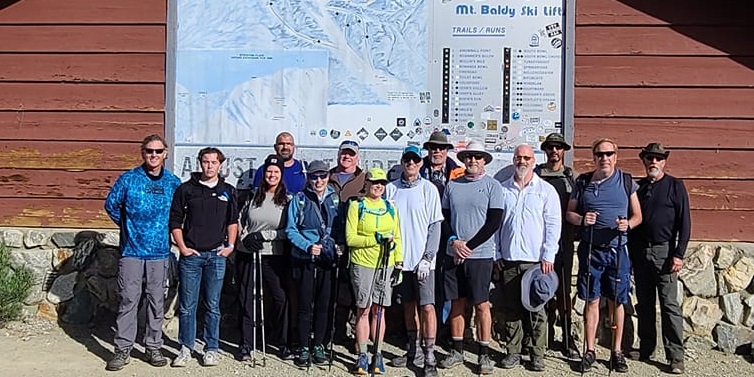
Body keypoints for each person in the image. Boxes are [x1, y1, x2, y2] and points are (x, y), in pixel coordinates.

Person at [104, 134, 181, 371]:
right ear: (142, 153)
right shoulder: (128, 179)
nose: (154, 155)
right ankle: (123, 348)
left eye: (158, 151)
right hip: (132, 251)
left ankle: (153, 346)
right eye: (149, 151)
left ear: (165, 153)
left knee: (156, 301)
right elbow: (111, 205)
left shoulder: (173, 183)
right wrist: (127, 226)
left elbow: (180, 213)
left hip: (159, 252)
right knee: (128, 299)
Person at [565, 138, 642, 373]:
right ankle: (590, 350)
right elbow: (569, 213)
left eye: (609, 153)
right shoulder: (584, 182)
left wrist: (626, 225)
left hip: (618, 250)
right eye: (600, 154)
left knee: (617, 300)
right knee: (592, 299)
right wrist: (581, 219)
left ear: (616, 157)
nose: (604, 158)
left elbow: (638, 216)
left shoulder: (626, 181)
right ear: (594, 157)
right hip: (591, 250)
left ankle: (616, 351)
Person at [169, 147, 239, 367]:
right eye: (206, 162)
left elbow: (233, 222)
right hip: (191, 256)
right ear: (200, 163)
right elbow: (175, 221)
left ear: (220, 164)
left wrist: (230, 246)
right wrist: (182, 247)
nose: (209, 166)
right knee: (188, 305)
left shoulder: (228, 190)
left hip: (217, 255)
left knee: (213, 305)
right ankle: (185, 347)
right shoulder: (185, 189)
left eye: (214, 162)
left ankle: (211, 348)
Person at [438, 140, 504, 375]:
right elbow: (443, 218)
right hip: (453, 253)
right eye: (469, 156)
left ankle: (484, 354)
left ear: (484, 160)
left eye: (477, 157)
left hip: (481, 255)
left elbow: (494, 222)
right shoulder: (452, 185)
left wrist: (470, 246)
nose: (473, 160)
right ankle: (457, 350)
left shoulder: (493, 186)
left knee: (481, 304)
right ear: (463, 160)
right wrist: (454, 241)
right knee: (456, 302)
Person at [495, 144, 562, 372]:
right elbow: (495, 226)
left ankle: (537, 354)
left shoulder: (545, 191)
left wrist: (548, 254)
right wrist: (497, 253)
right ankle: (513, 352)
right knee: (512, 309)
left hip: (536, 262)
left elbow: (553, 225)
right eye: (518, 157)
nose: (522, 161)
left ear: (534, 161)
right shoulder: (502, 190)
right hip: (510, 259)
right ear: (513, 160)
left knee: (537, 311)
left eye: (526, 157)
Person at [629, 143, 690, 375]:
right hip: (640, 252)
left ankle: (675, 356)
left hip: (665, 253)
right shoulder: (639, 187)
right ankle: (646, 348)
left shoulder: (675, 186)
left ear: (664, 161)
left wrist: (679, 253)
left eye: (658, 158)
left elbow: (684, 223)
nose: (653, 162)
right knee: (644, 303)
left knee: (669, 306)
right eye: (649, 158)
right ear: (644, 161)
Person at [385, 146, 443, 377]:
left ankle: (429, 355)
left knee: (427, 307)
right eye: (407, 159)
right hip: (400, 261)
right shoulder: (390, 189)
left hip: (423, 262)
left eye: (415, 160)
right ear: (402, 162)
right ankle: (413, 349)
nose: (411, 163)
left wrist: (428, 257)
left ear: (421, 163)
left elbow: (435, 226)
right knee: (408, 305)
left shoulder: (429, 190)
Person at [346, 168, 403, 375]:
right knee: (364, 309)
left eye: (382, 183)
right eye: (374, 182)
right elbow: (351, 239)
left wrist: (399, 263)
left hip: (386, 264)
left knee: (380, 310)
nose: (378, 186)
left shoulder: (390, 207)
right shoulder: (356, 206)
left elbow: (397, 236)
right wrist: (375, 239)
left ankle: (377, 354)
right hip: (362, 263)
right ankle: (362, 354)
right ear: (367, 183)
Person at [285, 160, 341, 367]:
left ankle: (319, 344)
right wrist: (307, 246)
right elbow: (291, 229)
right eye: (314, 176)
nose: (318, 181)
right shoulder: (299, 199)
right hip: (305, 259)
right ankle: (303, 346)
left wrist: (339, 245)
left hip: (327, 260)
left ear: (328, 177)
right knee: (304, 306)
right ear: (308, 178)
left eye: (323, 176)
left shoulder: (335, 198)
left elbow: (340, 227)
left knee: (324, 305)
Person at [236, 154, 292, 361]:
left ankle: (282, 342)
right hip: (249, 254)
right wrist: (245, 238)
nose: (272, 175)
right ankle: (246, 343)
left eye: (276, 172)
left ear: (281, 175)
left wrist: (265, 235)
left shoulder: (288, 200)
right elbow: (240, 222)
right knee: (247, 298)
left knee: (280, 298)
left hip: (273, 255)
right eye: (269, 171)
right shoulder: (251, 196)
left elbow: (289, 230)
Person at [534, 133, 580, 359]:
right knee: (540, 289)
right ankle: (543, 335)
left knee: (563, 291)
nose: (554, 151)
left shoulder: (572, 178)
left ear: (564, 151)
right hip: (537, 242)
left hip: (564, 241)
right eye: (551, 147)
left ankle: (568, 337)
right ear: (545, 150)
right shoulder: (536, 175)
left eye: (558, 147)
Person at [328, 139, 367, 344]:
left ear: (357, 156)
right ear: (338, 154)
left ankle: (355, 332)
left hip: (356, 243)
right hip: (331, 240)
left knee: (355, 287)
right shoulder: (328, 177)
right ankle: (335, 330)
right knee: (334, 287)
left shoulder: (365, 179)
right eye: (344, 153)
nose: (347, 157)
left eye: (351, 153)